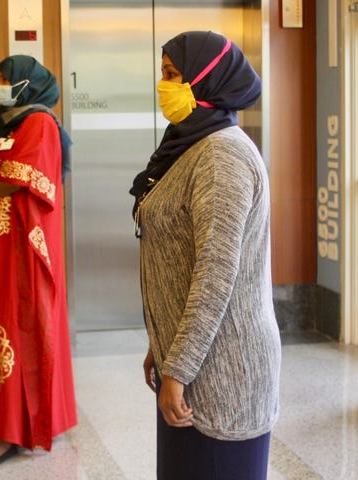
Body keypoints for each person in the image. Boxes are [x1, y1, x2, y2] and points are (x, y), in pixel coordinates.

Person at [130, 31, 281, 480]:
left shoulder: (221, 156)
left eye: (174, 76)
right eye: (163, 74)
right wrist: (163, 346)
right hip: (195, 366)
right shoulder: (191, 146)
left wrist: (178, 366)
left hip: (223, 377)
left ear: (206, 82)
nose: (164, 86)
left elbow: (216, 275)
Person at [0, 55, 77, 469]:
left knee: (18, 325)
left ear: (26, 83)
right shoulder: (6, 124)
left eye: (4, 79)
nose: (0, 86)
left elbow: (20, 178)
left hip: (24, 249)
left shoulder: (40, 124)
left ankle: (15, 431)